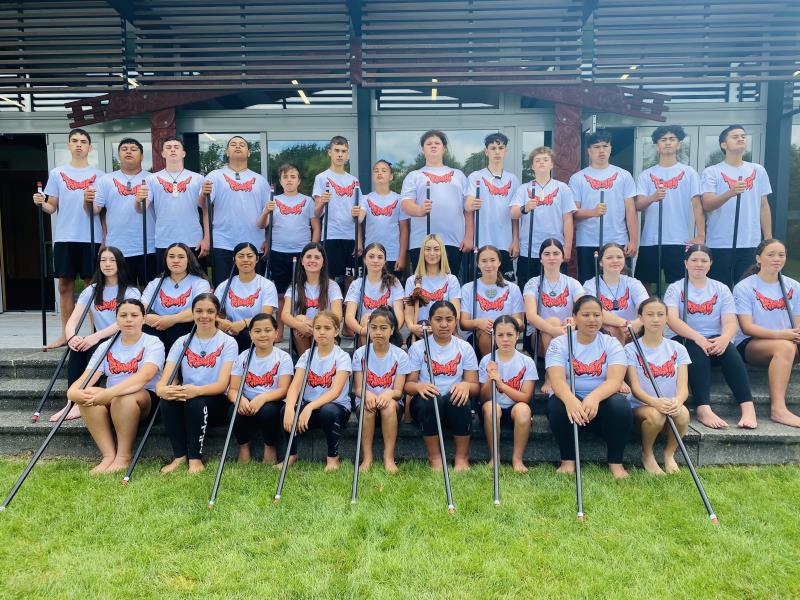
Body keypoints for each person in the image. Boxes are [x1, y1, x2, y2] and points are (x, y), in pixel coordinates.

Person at [67, 299, 164, 474]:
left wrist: (110, 393)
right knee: (88, 393)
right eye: (123, 315)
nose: (129, 320)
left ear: (143, 319)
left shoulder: (153, 343)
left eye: (134, 315)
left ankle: (123, 457)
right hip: (113, 399)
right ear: (116, 320)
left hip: (144, 400)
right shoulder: (106, 346)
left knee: (123, 398)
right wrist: (73, 392)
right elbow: (86, 379)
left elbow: (144, 377)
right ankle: (108, 455)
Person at [664, 244, 755, 429]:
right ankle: (703, 408)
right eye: (694, 260)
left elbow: (730, 322)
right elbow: (672, 320)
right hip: (684, 340)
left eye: (704, 260)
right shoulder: (675, 288)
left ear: (710, 263)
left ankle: (748, 408)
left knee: (729, 350)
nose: (699, 264)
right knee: (696, 350)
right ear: (686, 263)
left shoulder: (720, 289)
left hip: (714, 341)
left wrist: (724, 338)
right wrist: (698, 338)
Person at [545, 295, 633, 480]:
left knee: (621, 406)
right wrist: (570, 400)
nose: (592, 320)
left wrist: (593, 398)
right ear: (574, 317)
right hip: (571, 402)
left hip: (601, 401)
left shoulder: (611, 343)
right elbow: (557, 380)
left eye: (597, 315)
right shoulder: (559, 343)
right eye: (586, 315)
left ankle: (616, 462)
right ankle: (567, 460)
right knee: (556, 405)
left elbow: (615, 380)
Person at [33, 128, 105, 349]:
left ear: (90, 147)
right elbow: (51, 207)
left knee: (92, 286)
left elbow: (102, 211)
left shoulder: (100, 175)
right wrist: (40, 202)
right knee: (64, 286)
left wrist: (105, 239)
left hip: (90, 237)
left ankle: (95, 333)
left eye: (83, 141)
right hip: (65, 236)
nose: (79, 144)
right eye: (74, 141)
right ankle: (67, 333)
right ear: (68, 145)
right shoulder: (57, 173)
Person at [54, 247, 141, 422]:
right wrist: (72, 337)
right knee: (78, 347)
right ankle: (72, 401)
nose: (107, 264)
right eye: (103, 260)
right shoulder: (92, 290)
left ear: (119, 263)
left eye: (112, 260)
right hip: (100, 339)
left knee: (95, 346)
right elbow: (73, 320)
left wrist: (95, 336)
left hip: (121, 339)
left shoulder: (131, 292)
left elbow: (123, 323)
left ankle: (81, 400)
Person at [157, 293, 238, 474]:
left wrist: (197, 391)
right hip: (188, 393)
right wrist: (163, 390)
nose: (204, 316)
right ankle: (179, 456)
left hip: (216, 399)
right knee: (168, 401)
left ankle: (195, 459)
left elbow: (223, 384)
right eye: (199, 311)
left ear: (217, 314)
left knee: (195, 402)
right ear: (192, 313)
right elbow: (164, 379)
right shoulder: (182, 342)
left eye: (210, 311)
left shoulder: (228, 342)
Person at [406, 300, 479, 471]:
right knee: (432, 399)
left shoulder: (465, 348)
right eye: (438, 319)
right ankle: (435, 457)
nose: (444, 324)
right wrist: (419, 387)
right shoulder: (418, 347)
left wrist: (466, 386)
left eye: (449, 319)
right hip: (428, 405)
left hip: (454, 404)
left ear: (455, 321)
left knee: (460, 399)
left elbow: (476, 387)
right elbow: (408, 385)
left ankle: (461, 457)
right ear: (430, 321)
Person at [733, 238, 800, 428]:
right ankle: (779, 410)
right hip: (751, 344)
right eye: (771, 254)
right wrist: (782, 335)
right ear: (758, 258)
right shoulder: (745, 287)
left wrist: (792, 334)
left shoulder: (794, 286)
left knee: (787, 346)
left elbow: (797, 324)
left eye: (781, 255)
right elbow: (747, 327)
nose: (776, 259)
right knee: (785, 346)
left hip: (787, 342)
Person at [624, 296, 691, 475]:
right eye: (650, 314)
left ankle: (669, 454)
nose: (655, 319)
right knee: (656, 415)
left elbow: (683, 387)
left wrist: (677, 401)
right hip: (641, 406)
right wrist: (655, 402)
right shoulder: (631, 349)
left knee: (683, 413)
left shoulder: (678, 348)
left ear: (667, 318)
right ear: (641, 318)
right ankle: (647, 454)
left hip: (669, 403)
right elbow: (635, 389)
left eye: (661, 314)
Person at [701, 125, 772, 286]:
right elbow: (707, 204)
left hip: (750, 242)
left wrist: (767, 238)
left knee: (747, 287)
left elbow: (763, 205)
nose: (741, 138)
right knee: (721, 288)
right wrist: (730, 193)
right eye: (735, 137)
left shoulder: (758, 170)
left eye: (743, 136)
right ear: (723, 145)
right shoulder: (712, 172)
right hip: (720, 242)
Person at [280, 311, 352, 471]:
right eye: (317, 327)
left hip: (336, 408)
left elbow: (335, 392)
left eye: (327, 328)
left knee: (328, 411)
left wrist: (309, 408)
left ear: (336, 331)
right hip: (310, 409)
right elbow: (295, 386)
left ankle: (333, 458)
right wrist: (291, 407)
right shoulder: (307, 355)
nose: (322, 331)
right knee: (285, 408)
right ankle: (291, 455)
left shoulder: (342, 357)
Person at [635, 126, 704, 291]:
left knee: (679, 285)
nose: (667, 143)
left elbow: (697, 204)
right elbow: (638, 205)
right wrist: (653, 197)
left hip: (678, 239)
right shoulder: (646, 174)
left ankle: (676, 315)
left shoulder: (689, 173)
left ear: (679, 144)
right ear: (657, 145)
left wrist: (701, 233)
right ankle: (647, 315)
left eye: (672, 139)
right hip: (651, 239)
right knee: (644, 283)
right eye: (663, 140)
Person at [257, 162, 320, 341]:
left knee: (301, 291)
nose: (289, 180)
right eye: (285, 177)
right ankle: (279, 330)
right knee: (281, 293)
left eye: (293, 176)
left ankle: (303, 326)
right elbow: (262, 225)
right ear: (280, 180)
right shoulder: (273, 201)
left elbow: (316, 227)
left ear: (299, 180)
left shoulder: (308, 201)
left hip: (302, 253)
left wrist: (312, 250)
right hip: (279, 251)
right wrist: (265, 213)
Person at [201, 136, 271, 286]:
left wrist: (267, 238)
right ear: (227, 152)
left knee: (253, 287)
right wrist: (202, 194)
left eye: (242, 145)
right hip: (223, 242)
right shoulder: (215, 176)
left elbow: (268, 213)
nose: (237, 146)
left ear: (249, 152)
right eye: (233, 144)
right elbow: (203, 206)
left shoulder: (260, 180)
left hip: (254, 243)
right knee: (223, 287)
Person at [400, 130, 471, 276]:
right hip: (422, 241)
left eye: (437, 143)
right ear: (423, 149)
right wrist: (419, 209)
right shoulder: (414, 176)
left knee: (449, 285)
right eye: (429, 144)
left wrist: (469, 236)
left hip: (453, 241)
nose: (433, 146)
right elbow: (406, 204)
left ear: (444, 148)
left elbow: (467, 209)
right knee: (423, 287)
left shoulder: (458, 175)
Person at [570, 130, 638, 281]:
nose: (601, 150)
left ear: (610, 149)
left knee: (620, 285)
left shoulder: (624, 176)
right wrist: (593, 212)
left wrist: (633, 240)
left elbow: (630, 210)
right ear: (589, 151)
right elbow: (574, 212)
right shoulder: (578, 178)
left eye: (605, 146)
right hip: (588, 240)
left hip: (617, 239)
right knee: (589, 285)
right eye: (596, 147)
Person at [228, 313, 294, 464]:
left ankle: (270, 446)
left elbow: (284, 389)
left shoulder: (283, 358)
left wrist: (262, 398)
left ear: (276, 333)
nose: (263, 334)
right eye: (257, 331)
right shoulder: (243, 357)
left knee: (268, 411)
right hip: (247, 402)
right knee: (233, 410)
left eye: (268, 330)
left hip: (272, 401)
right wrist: (240, 399)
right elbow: (233, 389)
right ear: (250, 334)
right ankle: (244, 446)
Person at [351, 307, 410, 473]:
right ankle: (367, 456)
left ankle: (388, 456)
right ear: (368, 329)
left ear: (392, 330)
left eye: (383, 328)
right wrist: (367, 393)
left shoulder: (400, 355)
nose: (378, 332)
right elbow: (358, 388)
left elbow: (399, 391)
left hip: (391, 405)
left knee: (389, 405)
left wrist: (389, 393)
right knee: (367, 407)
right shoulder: (360, 354)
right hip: (366, 401)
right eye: (374, 327)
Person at [91, 137, 155, 287]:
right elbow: (95, 210)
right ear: (118, 155)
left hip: (148, 245)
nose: (129, 152)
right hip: (117, 247)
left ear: (141, 155)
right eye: (124, 149)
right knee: (123, 292)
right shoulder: (106, 180)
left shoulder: (152, 179)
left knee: (149, 291)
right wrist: (86, 201)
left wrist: (139, 201)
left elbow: (144, 208)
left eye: (133, 149)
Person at [523, 239, 584, 393]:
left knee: (558, 322)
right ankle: (551, 376)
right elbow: (530, 315)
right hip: (539, 340)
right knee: (553, 320)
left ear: (562, 257)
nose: (552, 257)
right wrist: (553, 329)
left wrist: (575, 320)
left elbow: (583, 308)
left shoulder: (573, 283)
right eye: (547, 254)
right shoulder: (533, 283)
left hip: (569, 337)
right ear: (541, 258)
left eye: (556, 253)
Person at [511, 146, 576, 288]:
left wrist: (567, 247)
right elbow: (513, 213)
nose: (542, 163)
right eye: (538, 160)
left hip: (554, 250)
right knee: (527, 290)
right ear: (532, 166)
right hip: (529, 250)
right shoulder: (524, 189)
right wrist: (525, 208)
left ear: (552, 164)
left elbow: (568, 220)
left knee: (554, 289)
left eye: (546, 160)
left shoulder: (562, 188)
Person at [478, 316, 536, 473]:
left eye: (509, 335)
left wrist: (501, 384)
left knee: (524, 409)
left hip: (514, 409)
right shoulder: (486, 361)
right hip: (492, 408)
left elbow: (525, 397)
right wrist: (491, 378)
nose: (505, 339)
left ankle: (517, 459)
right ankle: (494, 457)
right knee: (491, 408)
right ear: (494, 336)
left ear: (517, 335)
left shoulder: (527, 362)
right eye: (500, 335)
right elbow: (483, 398)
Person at [145, 136, 208, 266]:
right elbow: (141, 208)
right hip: (164, 239)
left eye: (176, 147)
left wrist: (207, 238)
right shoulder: (152, 179)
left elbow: (206, 210)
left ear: (183, 153)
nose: (172, 150)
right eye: (168, 147)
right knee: (165, 282)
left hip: (193, 239)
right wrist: (138, 199)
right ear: (163, 153)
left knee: (195, 281)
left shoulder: (198, 178)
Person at [466, 133, 520, 280]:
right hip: (482, 241)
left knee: (505, 287)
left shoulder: (513, 179)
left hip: (505, 242)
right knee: (481, 287)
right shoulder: (475, 176)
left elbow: (514, 214)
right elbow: (467, 205)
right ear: (486, 151)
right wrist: (471, 203)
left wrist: (516, 239)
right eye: (493, 148)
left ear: (505, 151)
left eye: (501, 148)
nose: (497, 151)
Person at [141, 242, 211, 356]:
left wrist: (172, 320)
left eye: (181, 257)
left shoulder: (200, 283)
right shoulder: (156, 283)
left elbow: (200, 309)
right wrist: (159, 320)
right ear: (166, 260)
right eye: (171, 256)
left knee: (177, 330)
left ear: (189, 259)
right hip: (157, 326)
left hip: (184, 328)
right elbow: (141, 308)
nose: (176, 260)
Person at [312, 136, 363, 286]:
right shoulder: (321, 178)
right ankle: (330, 309)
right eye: (336, 151)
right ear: (329, 152)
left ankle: (348, 308)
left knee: (351, 278)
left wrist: (359, 240)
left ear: (347, 154)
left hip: (350, 236)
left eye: (343, 151)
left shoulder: (354, 181)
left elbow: (358, 213)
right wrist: (322, 202)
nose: (340, 154)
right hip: (331, 235)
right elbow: (316, 213)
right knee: (329, 279)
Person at [460, 245, 524, 358]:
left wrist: (501, 325)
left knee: (503, 334)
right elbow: (463, 323)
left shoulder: (512, 288)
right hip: (478, 338)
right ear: (478, 264)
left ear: (499, 262)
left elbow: (521, 323)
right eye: (484, 261)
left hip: (505, 335)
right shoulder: (468, 288)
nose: (488, 265)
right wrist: (478, 323)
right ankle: (490, 369)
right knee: (486, 334)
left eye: (493, 260)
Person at [214, 242, 279, 351]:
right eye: (241, 256)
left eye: (249, 256)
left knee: (246, 335)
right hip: (230, 330)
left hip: (257, 329)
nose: (245, 260)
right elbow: (212, 313)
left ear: (257, 259)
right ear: (234, 259)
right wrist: (222, 322)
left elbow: (265, 315)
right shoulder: (224, 285)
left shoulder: (266, 285)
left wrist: (243, 323)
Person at [281, 242, 343, 355]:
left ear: (323, 262)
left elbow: (337, 315)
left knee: (311, 323)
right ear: (302, 261)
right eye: (308, 257)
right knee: (299, 319)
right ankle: (306, 364)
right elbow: (285, 315)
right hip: (302, 335)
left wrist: (314, 325)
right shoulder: (295, 287)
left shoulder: (332, 286)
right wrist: (299, 325)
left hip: (326, 332)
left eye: (317, 257)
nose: (312, 260)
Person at [582, 243, 649, 344]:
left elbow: (648, 308)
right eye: (609, 257)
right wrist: (626, 324)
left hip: (631, 333)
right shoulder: (590, 285)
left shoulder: (633, 283)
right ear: (600, 262)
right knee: (612, 329)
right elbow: (594, 312)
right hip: (604, 333)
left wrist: (638, 323)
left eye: (619, 257)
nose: (615, 261)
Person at [404, 234, 462, 342]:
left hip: (445, 331)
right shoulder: (412, 281)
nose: (432, 253)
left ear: (442, 253)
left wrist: (439, 327)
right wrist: (412, 327)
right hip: (421, 332)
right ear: (423, 252)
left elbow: (456, 312)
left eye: (436, 249)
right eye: (428, 249)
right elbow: (409, 312)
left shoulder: (451, 280)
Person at [344, 242, 405, 346]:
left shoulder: (394, 282)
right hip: (365, 331)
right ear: (364, 260)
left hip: (388, 333)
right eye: (371, 256)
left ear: (385, 261)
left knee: (381, 319)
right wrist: (362, 330)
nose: (375, 260)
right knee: (367, 318)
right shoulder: (357, 284)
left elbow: (399, 315)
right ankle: (368, 359)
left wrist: (388, 331)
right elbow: (349, 317)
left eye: (380, 257)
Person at [363, 159, 409, 278]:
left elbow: (404, 229)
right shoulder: (365, 199)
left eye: (384, 170)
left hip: (393, 255)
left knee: (392, 291)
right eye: (376, 171)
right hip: (371, 254)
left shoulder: (399, 200)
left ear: (391, 176)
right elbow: (358, 222)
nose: (379, 173)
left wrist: (402, 256)